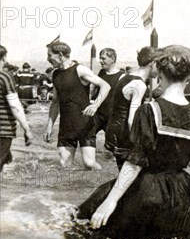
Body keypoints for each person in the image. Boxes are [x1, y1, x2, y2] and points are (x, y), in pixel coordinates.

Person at [73, 46, 190, 239]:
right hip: (182, 193)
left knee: (87, 230)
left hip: (148, 191)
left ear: (161, 75)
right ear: (189, 78)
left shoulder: (150, 110)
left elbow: (135, 162)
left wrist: (111, 200)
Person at [45, 41, 110, 169]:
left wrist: (95, 105)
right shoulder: (55, 74)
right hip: (66, 126)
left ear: (60, 54)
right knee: (65, 165)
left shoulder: (80, 70)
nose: (48, 59)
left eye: (49, 55)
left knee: (89, 164)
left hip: (84, 124)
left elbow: (105, 86)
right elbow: (55, 103)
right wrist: (49, 126)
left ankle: (103, 183)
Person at [105, 46, 157, 169]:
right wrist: (139, 145)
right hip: (124, 136)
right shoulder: (139, 85)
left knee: (124, 174)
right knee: (134, 177)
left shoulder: (125, 77)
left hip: (113, 132)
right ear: (153, 63)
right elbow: (132, 120)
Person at [0, 46, 34, 171]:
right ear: (4, 57)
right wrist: (27, 129)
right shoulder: (5, 77)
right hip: (3, 131)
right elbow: (15, 105)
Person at [92, 48, 124, 135]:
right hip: (98, 114)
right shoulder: (101, 73)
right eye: (100, 58)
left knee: (113, 144)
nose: (100, 61)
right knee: (87, 135)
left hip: (111, 117)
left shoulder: (122, 77)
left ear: (113, 59)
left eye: (103, 58)